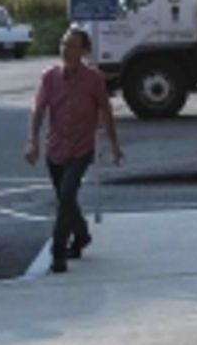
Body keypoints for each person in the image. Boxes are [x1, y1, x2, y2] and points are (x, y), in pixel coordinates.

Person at [25, 25, 123, 271]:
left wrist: (114, 145)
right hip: (55, 149)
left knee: (67, 195)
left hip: (81, 149)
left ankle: (58, 252)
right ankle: (81, 235)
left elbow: (106, 113)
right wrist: (32, 141)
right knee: (65, 199)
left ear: (83, 51)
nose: (66, 50)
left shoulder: (94, 79)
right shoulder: (49, 77)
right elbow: (38, 110)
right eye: (63, 45)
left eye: (72, 46)